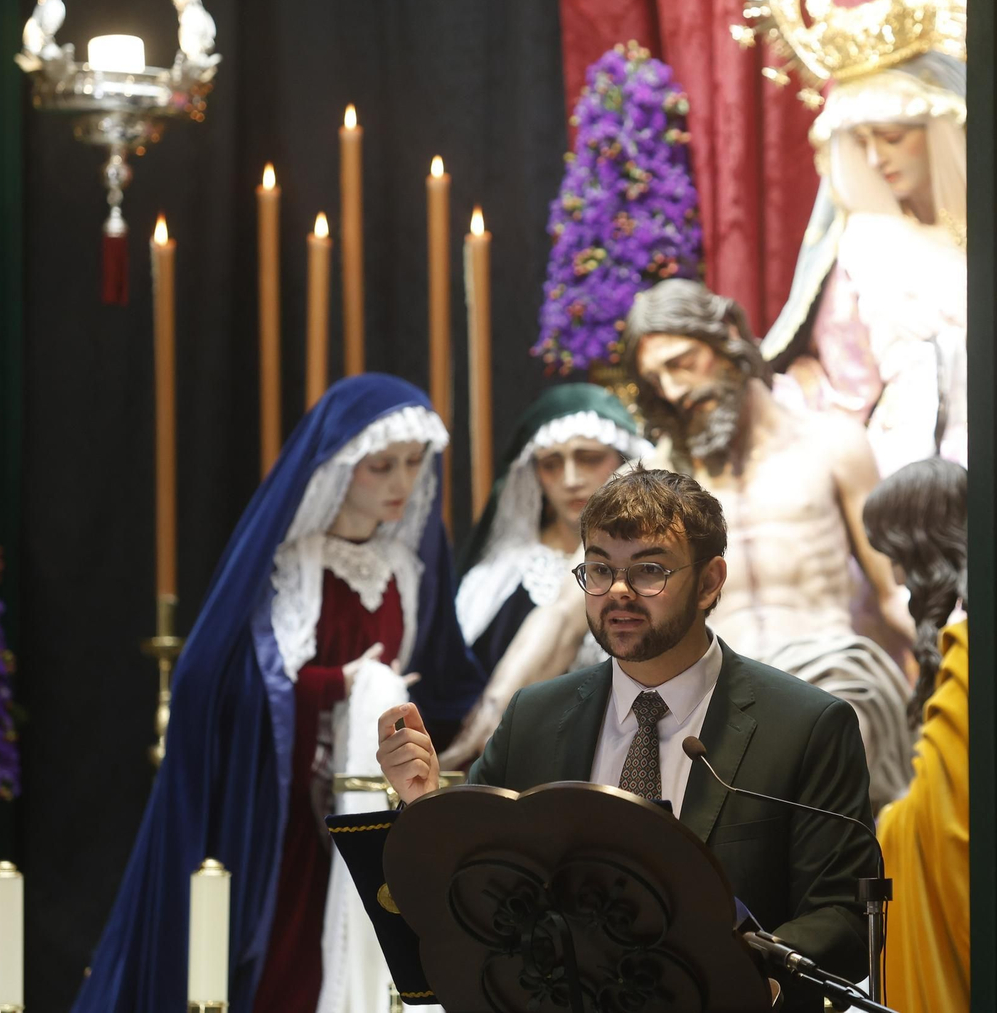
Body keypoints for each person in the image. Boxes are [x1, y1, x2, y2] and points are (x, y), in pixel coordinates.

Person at [378, 467, 875, 1012]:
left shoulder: (807, 725)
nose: (618, 591)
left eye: (649, 571)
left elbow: (844, 918)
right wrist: (423, 803)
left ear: (710, 581)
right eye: (599, 569)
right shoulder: (535, 717)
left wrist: (749, 979)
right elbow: (474, 884)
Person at [71, 375, 483, 1013]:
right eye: (382, 466)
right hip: (294, 803)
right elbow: (245, 682)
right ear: (342, 469)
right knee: (289, 951)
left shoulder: (406, 567)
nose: (402, 482)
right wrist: (339, 686)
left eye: (413, 464)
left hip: (371, 785)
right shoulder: (297, 564)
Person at [442, 280, 916, 811]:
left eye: (682, 362)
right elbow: (561, 613)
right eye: (655, 378)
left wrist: (958, 676)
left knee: (841, 729)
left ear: (729, 337)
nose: (671, 390)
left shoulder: (832, 446)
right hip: (717, 695)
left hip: (831, 676)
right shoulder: (655, 481)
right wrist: (484, 722)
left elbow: (894, 592)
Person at [763, 51, 968, 477]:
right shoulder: (868, 243)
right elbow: (847, 383)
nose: (876, 159)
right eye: (863, 143)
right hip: (901, 464)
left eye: (891, 137)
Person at [862, 458, 970, 1013]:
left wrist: (891, 826)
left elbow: (949, 815)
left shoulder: (969, 638)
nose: (899, 578)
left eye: (898, 558)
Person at [454, 383, 651, 674]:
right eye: (551, 464)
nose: (570, 479)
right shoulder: (500, 578)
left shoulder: (658, 569)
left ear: (627, 461)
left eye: (589, 458)